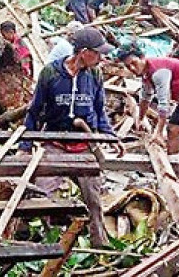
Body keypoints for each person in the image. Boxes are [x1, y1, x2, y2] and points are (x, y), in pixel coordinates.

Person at [19, 26, 124, 247]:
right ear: (84, 52)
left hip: (83, 145)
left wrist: (109, 136)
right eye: (97, 53)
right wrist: (26, 144)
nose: (101, 57)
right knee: (39, 195)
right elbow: (35, 109)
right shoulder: (51, 73)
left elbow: (99, 108)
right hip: (55, 144)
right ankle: (37, 244)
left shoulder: (95, 74)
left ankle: (100, 244)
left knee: (94, 200)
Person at [115, 39, 179, 188]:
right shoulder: (145, 75)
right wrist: (140, 119)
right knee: (172, 130)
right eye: (128, 66)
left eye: (134, 63)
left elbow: (164, 104)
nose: (132, 68)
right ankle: (176, 173)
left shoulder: (158, 72)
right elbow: (145, 98)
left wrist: (157, 132)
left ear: (142, 57)